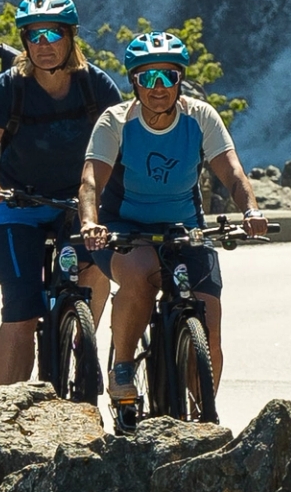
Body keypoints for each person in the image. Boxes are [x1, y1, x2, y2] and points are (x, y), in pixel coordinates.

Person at [76, 30, 269, 431]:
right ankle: (124, 368)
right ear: (134, 82)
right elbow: (92, 180)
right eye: (148, 78)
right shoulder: (115, 121)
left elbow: (231, 171)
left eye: (167, 77)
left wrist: (249, 209)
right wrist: (91, 222)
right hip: (123, 228)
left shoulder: (200, 118)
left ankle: (204, 415)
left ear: (180, 80)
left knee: (209, 317)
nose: (158, 87)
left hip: (184, 228)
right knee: (141, 275)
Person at [0, 0, 126, 387]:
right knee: (20, 313)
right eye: (34, 35)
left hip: (79, 205)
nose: (44, 44)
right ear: (24, 41)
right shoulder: (10, 87)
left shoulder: (95, 85)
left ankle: (79, 341)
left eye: (53, 34)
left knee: (97, 272)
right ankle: (4, 410)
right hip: (19, 205)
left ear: (70, 37)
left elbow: (125, 146)